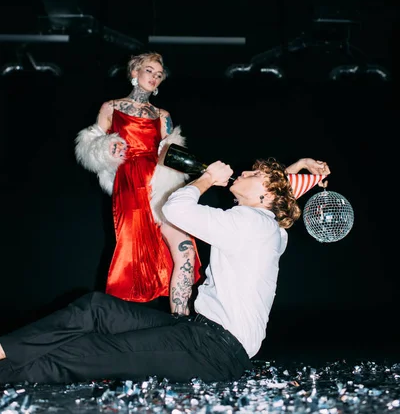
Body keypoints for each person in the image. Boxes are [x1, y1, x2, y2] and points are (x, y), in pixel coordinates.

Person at [0, 156, 330, 385]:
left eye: (251, 175)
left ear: (265, 194)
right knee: (96, 308)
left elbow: (176, 208)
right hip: (202, 334)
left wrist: (207, 180)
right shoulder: (268, 227)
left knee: (84, 353)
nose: (243, 172)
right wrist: (300, 168)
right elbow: (276, 191)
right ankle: (5, 349)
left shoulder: (249, 223)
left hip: (214, 350)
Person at [74, 51, 201, 315]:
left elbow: (171, 153)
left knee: (185, 249)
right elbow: (91, 147)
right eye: (149, 71)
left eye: (158, 74)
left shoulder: (162, 115)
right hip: (129, 181)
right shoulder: (111, 107)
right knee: (131, 251)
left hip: (161, 185)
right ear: (134, 72)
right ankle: (117, 321)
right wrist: (108, 150)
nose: (154, 77)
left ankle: (183, 322)